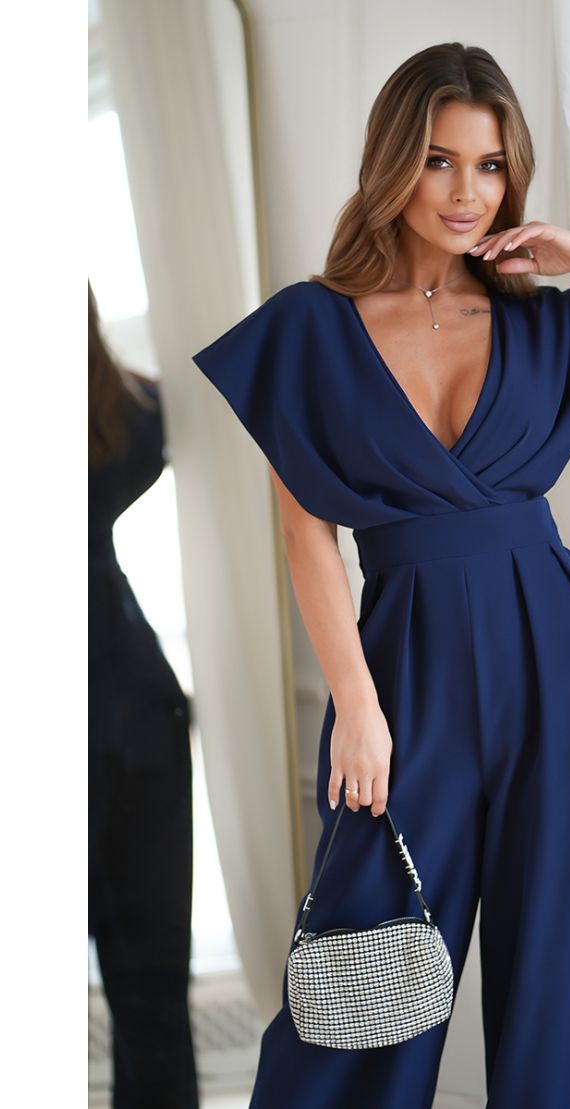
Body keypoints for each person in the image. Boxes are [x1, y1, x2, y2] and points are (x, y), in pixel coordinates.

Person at [191, 42, 570, 1109]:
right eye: (440, 161)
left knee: (567, 982)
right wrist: (357, 706)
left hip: (562, 670)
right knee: (359, 987)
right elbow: (307, 532)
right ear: (393, 164)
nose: (467, 192)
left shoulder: (545, 321)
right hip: (402, 678)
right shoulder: (310, 328)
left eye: (491, 165)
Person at [89, 281, 200, 1108]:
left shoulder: (127, 412)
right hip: (134, 716)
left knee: (153, 991)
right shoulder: (136, 415)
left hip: (130, 725)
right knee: (153, 992)